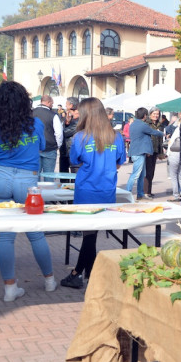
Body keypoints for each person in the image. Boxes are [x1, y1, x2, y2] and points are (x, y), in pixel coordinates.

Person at [0, 81, 56, 301]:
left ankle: (9, 288)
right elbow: (41, 147)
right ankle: (50, 280)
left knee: (5, 237)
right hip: (28, 182)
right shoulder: (35, 125)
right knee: (35, 233)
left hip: (1, 178)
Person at [60, 98, 126, 289]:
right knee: (91, 233)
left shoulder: (80, 137)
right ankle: (87, 273)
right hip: (106, 189)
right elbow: (120, 162)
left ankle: (80, 273)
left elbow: (74, 160)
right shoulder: (116, 136)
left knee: (89, 234)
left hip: (86, 189)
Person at [126, 107, 164, 200]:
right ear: (145, 115)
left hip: (138, 152)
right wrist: (162, 134)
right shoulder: (143, 125)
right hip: (139, 152)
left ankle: (140, 194)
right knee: (135, 175)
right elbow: (153, 132)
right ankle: (127, 194)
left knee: (142, 175)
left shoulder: (133, 124)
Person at [32, 94, 63, 175]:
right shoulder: (53, 115)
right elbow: (59, 133)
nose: (52, 105)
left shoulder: (30, 113)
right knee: (49, 177)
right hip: (50, 148)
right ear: (48, 102)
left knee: (35, 176)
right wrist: (57, 145)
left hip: (34, 148)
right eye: (52, 104)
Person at [144, 107, 164, 198]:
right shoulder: (146, 124)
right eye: (154, 114)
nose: (156, 115)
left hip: (155, 150)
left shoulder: (159, 125)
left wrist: (160, 152)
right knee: (147, 172)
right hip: (148, 150)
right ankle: (145, 192)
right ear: (150, 114)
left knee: (152, 171)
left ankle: (149, 191)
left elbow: (160, 140)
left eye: (157, 114)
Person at [166, 112, 181, 202]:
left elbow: (171, 142)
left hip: (175, 153)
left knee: (173, 175)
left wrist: (168, 154)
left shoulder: (177, 130)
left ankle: (176, 195)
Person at [59, 97, 80, 178]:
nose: (65, 106)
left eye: (66, 104)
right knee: (63, 176)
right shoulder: (68, 118)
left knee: (75, 176)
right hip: (64, 150)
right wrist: (67, 122)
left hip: (72, 150)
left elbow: (64, 133)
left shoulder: (80, 120)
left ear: (71, 105)